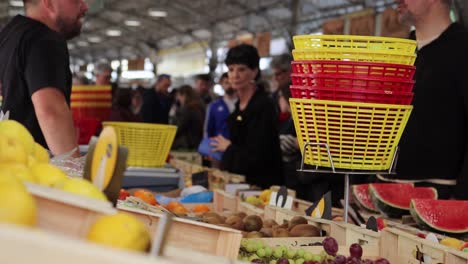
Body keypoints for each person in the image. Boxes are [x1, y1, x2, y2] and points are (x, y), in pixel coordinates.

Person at [379, 0, 468, 199]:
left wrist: (461, 196)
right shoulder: (399, 52)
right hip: (384, 188)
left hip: (443, 194)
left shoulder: (462, 49)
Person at [0, 0, 88, 156]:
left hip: (10, 163)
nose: (84, 6)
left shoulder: (9, 34)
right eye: (76, 0)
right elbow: (51, 111)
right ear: (49, 3)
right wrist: (74, 170)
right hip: (34, 169)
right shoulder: (45, 39)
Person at [211, 44, 283, 189]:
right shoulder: (239, 105)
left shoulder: (263, 105)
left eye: (241, 69)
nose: (234, 75)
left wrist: (228, 148)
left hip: (262, 186)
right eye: (231, 69)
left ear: (254, 72)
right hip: (241, 183)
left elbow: (261, 154)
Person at [204, 72, 237, 139]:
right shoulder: (213, 106)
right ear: (221, 84)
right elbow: (208, 129)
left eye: (231, 82)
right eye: (226, 82)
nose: (229, 85)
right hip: (218, 145)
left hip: (238, 145)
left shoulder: (243, 104)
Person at [172, 85, 205, 150]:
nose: (178, 99)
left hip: (186, 145)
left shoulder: (187, 109)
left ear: (184, 95)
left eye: (179, 96)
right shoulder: (199, 107)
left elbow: (179, 127)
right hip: (198, 143)